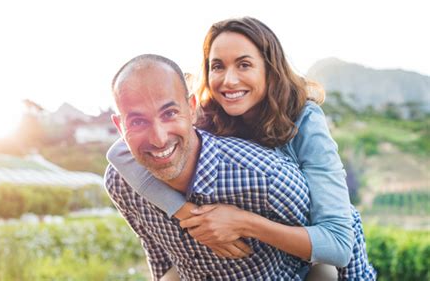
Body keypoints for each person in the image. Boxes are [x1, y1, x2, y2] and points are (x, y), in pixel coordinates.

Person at [108, 17, 376, 280]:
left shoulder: (304, 121)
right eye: (218, 67)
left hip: (315, 258)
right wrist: (186, 215)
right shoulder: (204, 113)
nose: (229, 81)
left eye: (244, 65)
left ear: (269, 69)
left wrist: (242, 222)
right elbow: (119, 153)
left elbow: (338, 243)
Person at [106, 54, 316, 280]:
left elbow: (342, 235)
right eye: (138, 121)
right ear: (119, 126)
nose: (158, 139)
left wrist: (248, 224)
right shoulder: (121, 183)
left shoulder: (264, 176)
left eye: (170, 113)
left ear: (192, 108)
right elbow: (159, 256)